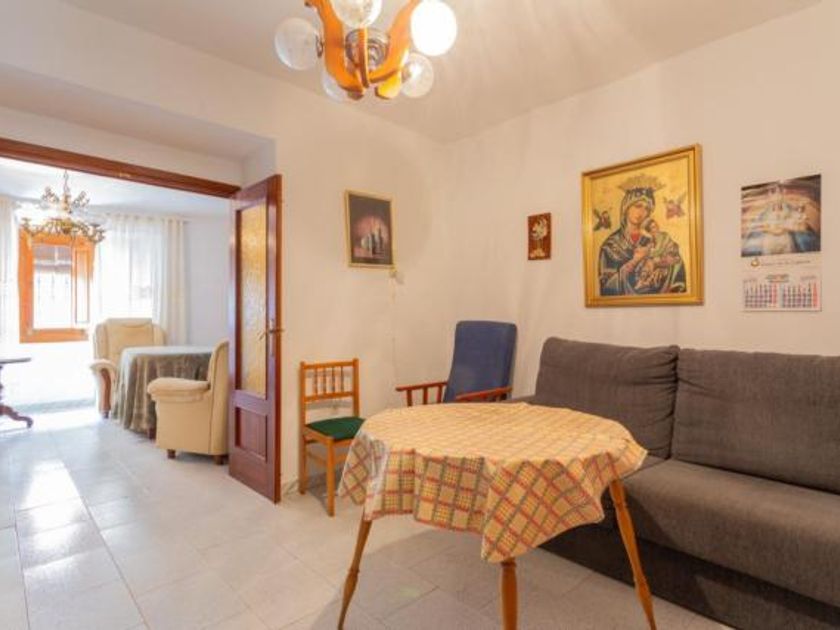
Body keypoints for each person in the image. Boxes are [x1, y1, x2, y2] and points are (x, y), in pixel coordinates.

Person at [598, 175, 686, 296]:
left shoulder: (661, 239)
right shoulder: (611, 245)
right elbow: (606, 288)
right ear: (626, 207)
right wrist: (636, 260)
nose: (642, 212)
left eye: (647, 209)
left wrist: (657, 264)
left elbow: (677, 264)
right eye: (638, 206)